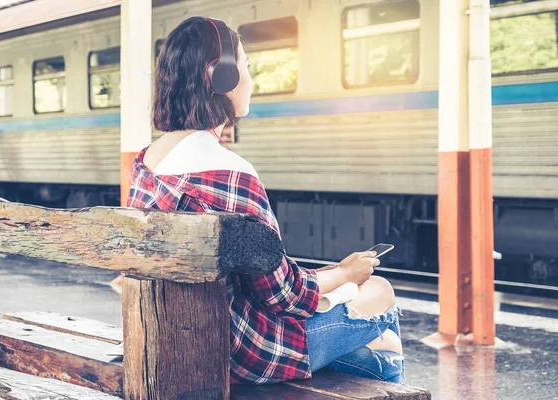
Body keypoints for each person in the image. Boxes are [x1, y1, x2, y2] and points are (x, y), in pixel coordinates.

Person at [126, 16, 404, 385]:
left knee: (369, 360)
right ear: (220, 77)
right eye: (247, 67)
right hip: (247, 352)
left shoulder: (146, 163)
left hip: (170, 337)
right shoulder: (231, 173)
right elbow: (286, 297)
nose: (251, 80)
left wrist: (331, 276)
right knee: (380, 292)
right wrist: (347, 273)